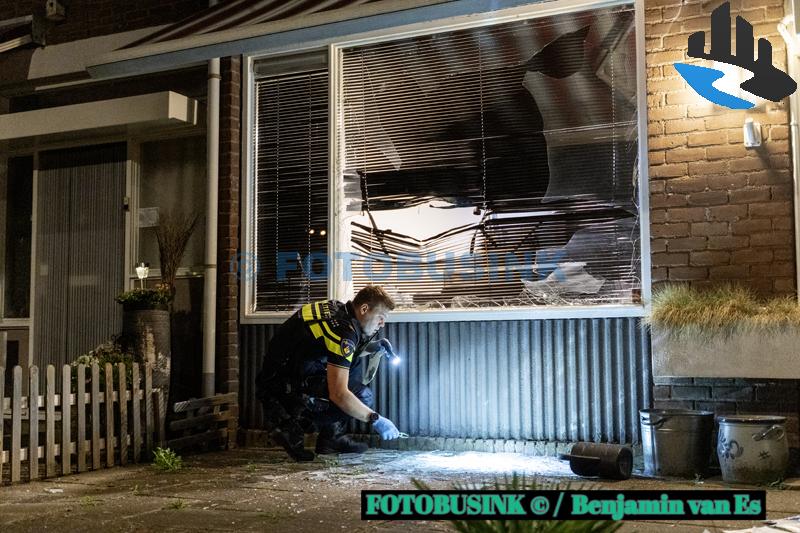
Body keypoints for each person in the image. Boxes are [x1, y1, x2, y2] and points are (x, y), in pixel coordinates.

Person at [256, 285, 402, 461]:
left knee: (351, 364)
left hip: (281, 374)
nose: (382, 324)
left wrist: (372, 347)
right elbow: (339, 394)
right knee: (363, 397)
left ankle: (331, 438)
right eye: (381, 317)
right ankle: (293, 426)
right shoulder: (344, 332)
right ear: (364, 309)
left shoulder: (338, 310)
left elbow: (338, 353)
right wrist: (375, 419)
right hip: (283, 389)